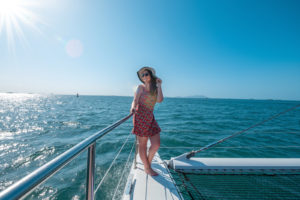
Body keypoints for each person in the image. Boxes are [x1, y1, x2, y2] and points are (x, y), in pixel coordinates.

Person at [130, 66, 163, 176]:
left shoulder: (155, 89)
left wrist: (159, 85)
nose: (144, 76)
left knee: (156, 144)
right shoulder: (140, 87)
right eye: (142, 75)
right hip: (140, 117)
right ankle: (147, 168)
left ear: (151, 75)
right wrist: (133, 107)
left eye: (146, 74)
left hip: (150, 117)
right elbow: (135, 100)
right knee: (142, 144)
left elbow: (159, 100)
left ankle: (147, 164)